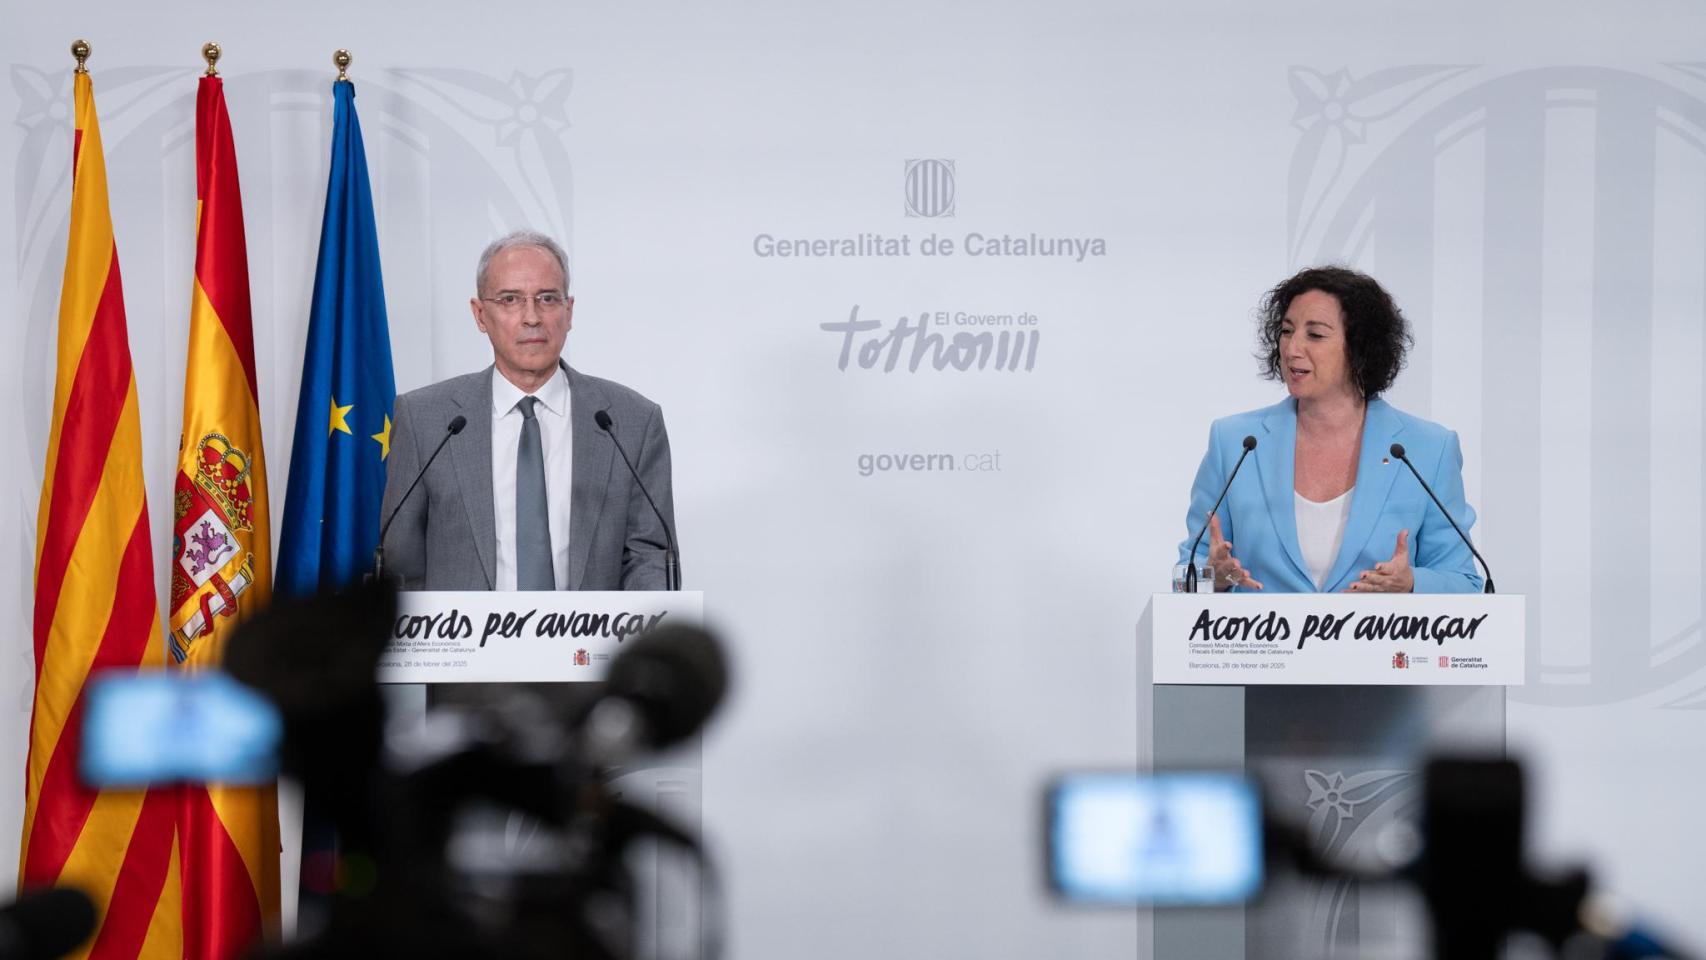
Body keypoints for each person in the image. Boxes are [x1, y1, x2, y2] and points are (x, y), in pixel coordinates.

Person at [380, 230, 676, 591]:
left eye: (547, 299)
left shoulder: (632, 422)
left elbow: (649, 558)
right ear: (480, 315)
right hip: (463, 645)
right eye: (510, 299)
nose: (531, 317)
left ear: (569, 312)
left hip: (592, 645)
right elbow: (400, 565)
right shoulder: (425, 419)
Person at [1179, 266, 1482, 593]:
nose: (1292, 348)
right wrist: (1212, 578)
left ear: (1359, 348)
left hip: (1380, 644)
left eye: (1316, 335)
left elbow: (1463, 583)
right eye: (1286, 330)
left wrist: (1410, 583)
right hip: (1261, 644)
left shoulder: (1428, 449)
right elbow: (1187, 576)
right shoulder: (1235, 442)